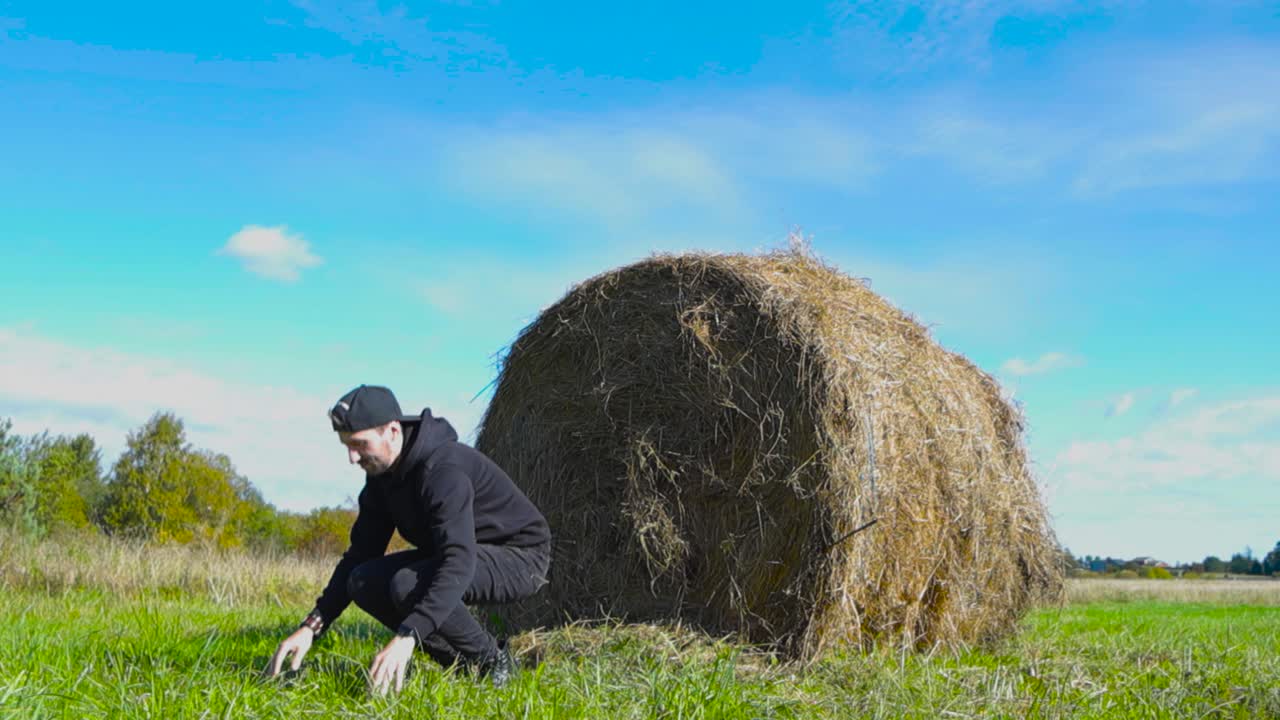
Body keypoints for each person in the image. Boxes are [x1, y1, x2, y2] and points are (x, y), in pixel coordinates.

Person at [267, 384, 551, 694]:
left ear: (391, 430)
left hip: (520, 556)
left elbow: (458, 560)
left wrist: (408, 635)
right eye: (346, 446)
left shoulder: (442, 469)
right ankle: (461, 664)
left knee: (406, 584)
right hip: (464, 554)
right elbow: (359, 555)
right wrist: (313, 626)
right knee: (363, 581)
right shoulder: (381, 477)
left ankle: (494, 660)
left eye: (360, 444)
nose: (352, 457)